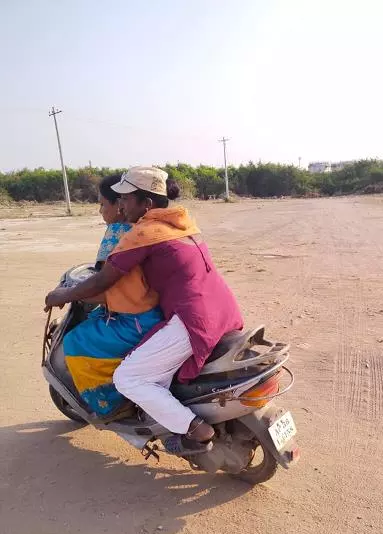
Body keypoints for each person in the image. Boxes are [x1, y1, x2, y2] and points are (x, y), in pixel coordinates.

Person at [45, 166, 243, 455]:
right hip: (222, 308)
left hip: (192, 319)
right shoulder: (181, 222)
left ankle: (196, 430)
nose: (121, 204)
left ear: (146, 204)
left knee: (128, 378)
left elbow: (102, 280)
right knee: (151, 371)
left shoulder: (144, 233)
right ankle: (163, 422)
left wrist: (62, 295)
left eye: (126, 199)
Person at [55, 174, 164, 418]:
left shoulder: (118, 232)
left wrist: (64, 294)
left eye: (104, 204)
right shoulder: (151, 226)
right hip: (158, 310)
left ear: (120, 205)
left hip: (135, 318)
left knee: (75, 341)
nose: (100, 210)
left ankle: (111, 405)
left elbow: (104, 284)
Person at [95, 174, 132, 268]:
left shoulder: (115, 230)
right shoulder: (143, 225)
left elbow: (102, 273)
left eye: (102, 204)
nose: (100, 211)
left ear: (119, 204)